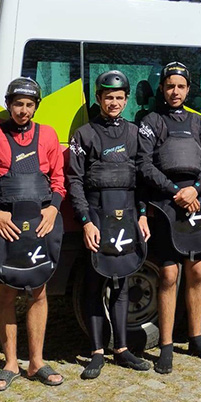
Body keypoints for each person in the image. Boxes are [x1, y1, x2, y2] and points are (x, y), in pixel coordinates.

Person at [0, 77, 66, 391]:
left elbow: (58, 180)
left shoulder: (49, 135)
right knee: (6, 292)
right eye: (18, 104)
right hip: (6, 224)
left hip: (40, 223)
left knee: (38, 292)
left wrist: (54, 209)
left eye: (30, 105)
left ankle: (37, 362)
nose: (24, 111)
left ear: (36, 107)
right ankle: (10, 363)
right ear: (8, 104)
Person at [137, 61, 201, 373]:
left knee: (198, 273)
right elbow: (144, 164)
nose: (175, 91)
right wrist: (176, 191)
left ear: (188, 90)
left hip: (196, 201)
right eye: (170, 86)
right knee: (169, 275)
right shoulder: (151, 121)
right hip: (166, 203)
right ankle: (166, 346)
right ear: (162, 88)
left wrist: (196, 190)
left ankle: (197, 338)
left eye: (181, 86)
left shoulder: (199, 123)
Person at [66, 70, 153, 379]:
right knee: (93, 284)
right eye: (108, 97)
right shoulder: (84, 135)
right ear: (99, 99)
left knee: (122, 282)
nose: (113, 102)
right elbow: (74, 180)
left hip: (127, 216)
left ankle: (122, 349)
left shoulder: (135, 133)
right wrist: (86, 221)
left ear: (126, 100)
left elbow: (142, 177)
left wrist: (142, 213)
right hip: (97, 218)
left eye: (119, 97)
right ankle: (96, 352)